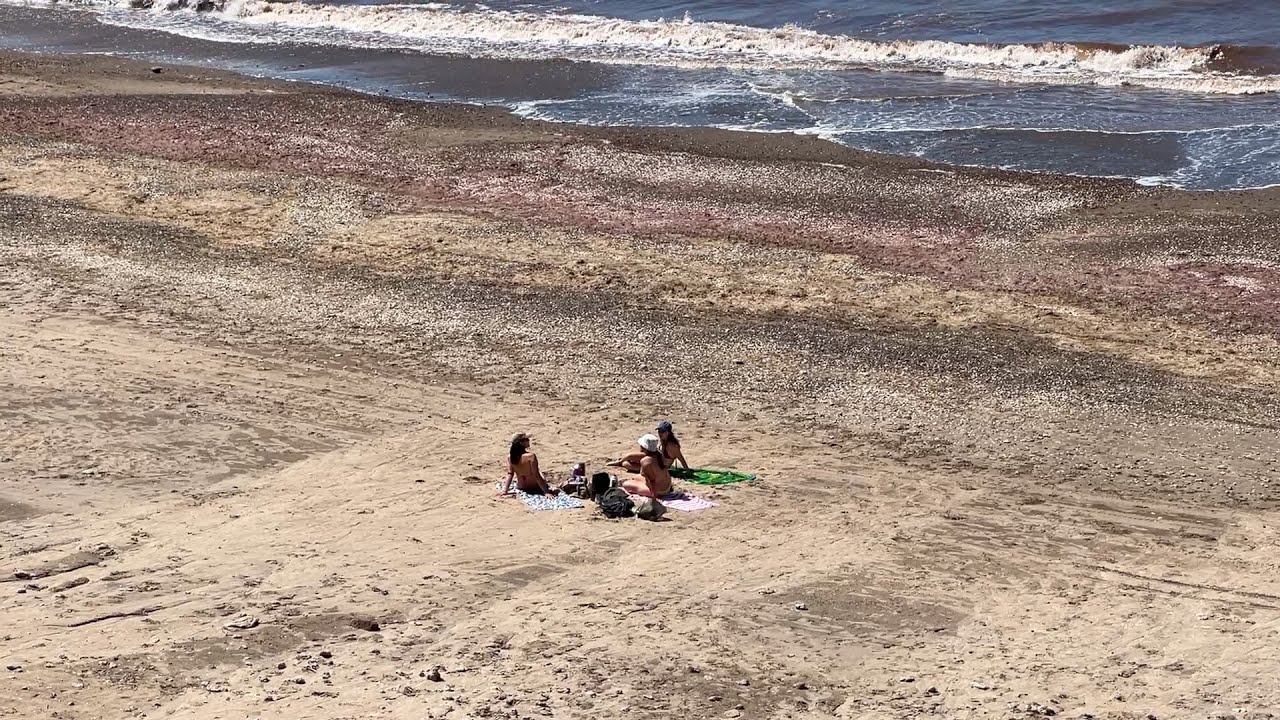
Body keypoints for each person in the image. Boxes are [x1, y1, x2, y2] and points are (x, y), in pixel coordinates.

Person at [609, 420, 689, 472]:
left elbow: (681, 458)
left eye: (662, 431)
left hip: (658, 467)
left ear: (668, 432)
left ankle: (619, 462)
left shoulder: (672, 446)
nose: (660, 433)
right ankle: (619, 462)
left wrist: (688, 471)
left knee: (626, 463)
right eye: (659, 431)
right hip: (655, 459)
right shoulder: (664, 440)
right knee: (629, 456)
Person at [621, 434, 673, 499]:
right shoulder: (659, 454)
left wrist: (654, 496)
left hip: (659, 491)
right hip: (667, 485)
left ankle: (654, 493)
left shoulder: (646, 462)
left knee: (626, 484)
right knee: (636, 477)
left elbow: (651, 481)